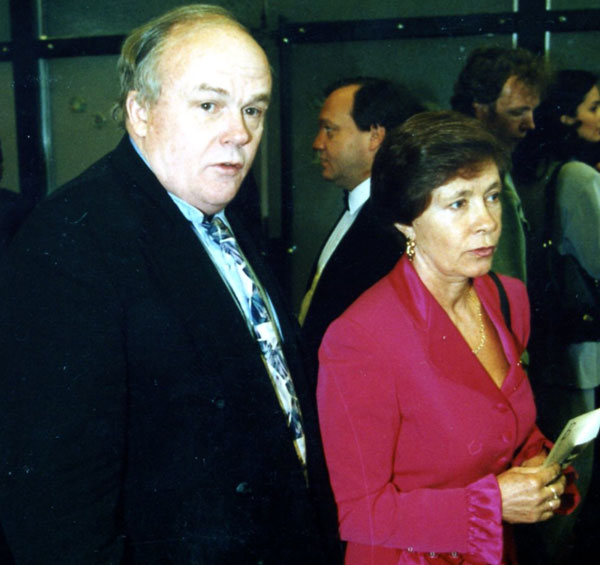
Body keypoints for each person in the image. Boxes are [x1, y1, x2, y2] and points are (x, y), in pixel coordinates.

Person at [0, 5, 341, 563]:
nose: (240, 133)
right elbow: (54, 508)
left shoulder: (220, 213)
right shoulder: (70, 243)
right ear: (139, 111)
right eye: (209, 105)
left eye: (252, 109)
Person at [317, 111, 578, 565]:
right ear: (405, 222)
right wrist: (492, 504)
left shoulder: (506, 298)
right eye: (458, 203)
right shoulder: (360, 339)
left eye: (492, 196)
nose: (486, 222)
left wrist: (538, 461)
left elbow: (505, 426)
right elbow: (361, 514)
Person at [512, 69, 600, 564]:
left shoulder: (532, 172)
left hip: (542, 349)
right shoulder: (578, 178)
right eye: (594, 107)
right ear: (566, 116)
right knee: (570, 490)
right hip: (579, 359)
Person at [299, 77, 422, 378]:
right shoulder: (357, 209)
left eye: (330, 129)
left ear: (375, 137)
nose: (318, 143)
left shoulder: (394, 226)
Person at [452, 46, 546, 282]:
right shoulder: (474, 176)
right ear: (480, 110)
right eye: (517, 113)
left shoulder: (500, 166)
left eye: (532, 111)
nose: (530, 124)